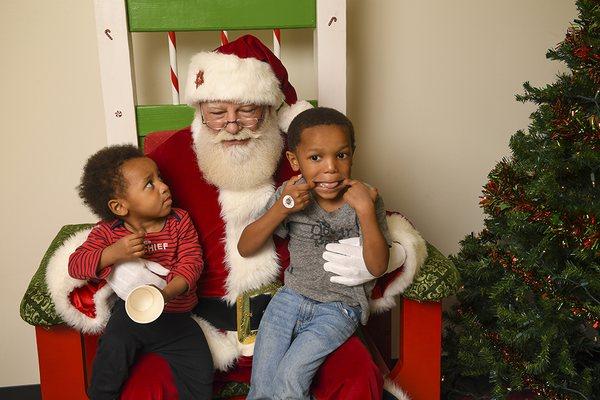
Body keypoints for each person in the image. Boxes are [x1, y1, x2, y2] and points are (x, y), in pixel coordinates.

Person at [50, 34, 427, 400]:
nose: (232, 125)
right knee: (143, 390)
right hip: (197, 322)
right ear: (200, 109)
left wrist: (387, 256)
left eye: (247, 110)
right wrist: (114, 266)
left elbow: (370, 205)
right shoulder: (168, 160)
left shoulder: (305, 151)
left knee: (355, 377)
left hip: (299, 309)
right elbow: (118, 214)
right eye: (217, 113)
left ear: (269, 106)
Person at [239, 107, 391, 399]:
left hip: (339, 307)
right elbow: (245, 246)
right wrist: (281, 207)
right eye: (315, 158)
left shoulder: (366, 197)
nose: (331, 167)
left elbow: (378, 265)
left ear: (352, 155)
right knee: (263, 386)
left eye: (342, 155)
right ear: (295, 161)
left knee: (291, 377)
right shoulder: (290, 192)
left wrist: (366, 212)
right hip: (290, 298)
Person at [67, 144, 213, 400]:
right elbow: (75, 265)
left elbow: (191, 262)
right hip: (130, 317)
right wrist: (113, 253)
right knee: (112, 350)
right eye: (149, 184)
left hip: (175, 316)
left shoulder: (179, 221)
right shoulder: (108, 233)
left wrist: (166, 293)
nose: (164, 186)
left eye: (160, 178)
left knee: (201, 363)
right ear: (120, 207)